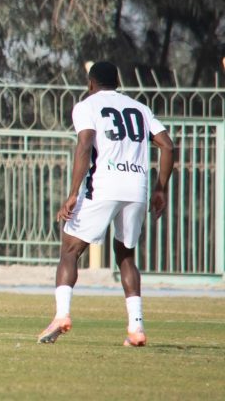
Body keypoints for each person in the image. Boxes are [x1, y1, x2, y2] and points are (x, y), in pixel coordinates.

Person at [37, 61, 174, 346]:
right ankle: (136, 328)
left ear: (90, 83)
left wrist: (73, 193)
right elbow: (167, 145)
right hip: (136, 188)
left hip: (103, 185)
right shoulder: (139, 108)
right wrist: (160, 189)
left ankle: (61, 315)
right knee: (126, 255)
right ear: (118, 83)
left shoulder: (86, 106)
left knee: (70, 249)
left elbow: (85, 144)